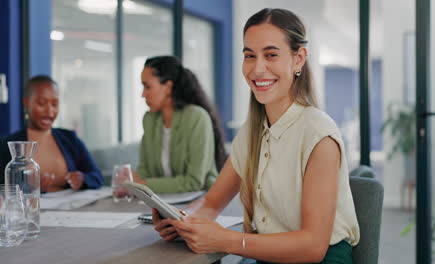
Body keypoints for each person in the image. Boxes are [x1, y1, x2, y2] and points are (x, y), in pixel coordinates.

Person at [151, 8, 360, 264]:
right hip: (266, 257)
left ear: (298, 59)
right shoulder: (252, 131)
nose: (257, 68)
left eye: (271, 55)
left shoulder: (319, 135)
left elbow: (313, 246)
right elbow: (211, 203)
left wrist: (226, 240)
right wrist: (181, 219)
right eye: (250, 56)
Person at [133, 56, 227, 193]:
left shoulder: (196, 117)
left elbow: (194, 181)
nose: (143, 94)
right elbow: (144, 170)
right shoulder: (149, 119)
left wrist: (143, 184)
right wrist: (132, 180)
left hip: (199, 200)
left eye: (147, 87)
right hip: (161, 200)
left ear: (168, 87)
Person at [0, 75, 103, 192]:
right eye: (42, 103)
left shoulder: (70, 139)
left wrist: (82, 179)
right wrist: (32, 187)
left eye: (54, 104)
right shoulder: (7, 146)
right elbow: (4, 187)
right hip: (33, 208)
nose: (49, 111)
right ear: (27, 103)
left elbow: (97, 176)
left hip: (71, 207)